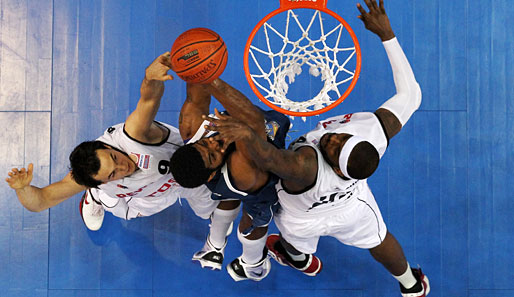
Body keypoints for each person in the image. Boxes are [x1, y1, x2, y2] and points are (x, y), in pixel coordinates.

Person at [203, 0, 429, 296]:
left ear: (335, 167)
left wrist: (244, 132)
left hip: (302, 217)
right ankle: (411, 284)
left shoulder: (305, 166)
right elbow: (411, 94)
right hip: (352, 208)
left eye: (334, 147)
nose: (332, 138)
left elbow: (268, 156)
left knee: (292, 234)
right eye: (341, 138)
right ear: (360, 140)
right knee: (378, 238)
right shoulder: (373, 134)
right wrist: (388, 35)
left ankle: (298, 258)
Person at [4, 53, 233, 265]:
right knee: (121, 205)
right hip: (138, 199)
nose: (123, 165)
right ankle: (95, 197)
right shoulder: (94, 179)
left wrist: (151, 78)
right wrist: (22, 189)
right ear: (102, 180)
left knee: (215, 208)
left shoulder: (134, 134)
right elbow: (41, 201)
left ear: (106, 145)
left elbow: (148, 100)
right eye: (113, 173)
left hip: (184, 170)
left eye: (114, 157)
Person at [169, 80, 290, 282]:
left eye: (205, 143)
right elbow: (254, 121)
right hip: (259, 183)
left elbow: (195, 91)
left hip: (230, 174)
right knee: (253, 222)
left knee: (227, 199)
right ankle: (252, 266)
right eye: (212, 156)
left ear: (190, 142)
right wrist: (210, 77)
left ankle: (214, 248)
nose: (215, 143)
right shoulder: (242, 172)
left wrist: (192, 68)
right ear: (210, 173)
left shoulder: (192, 129)